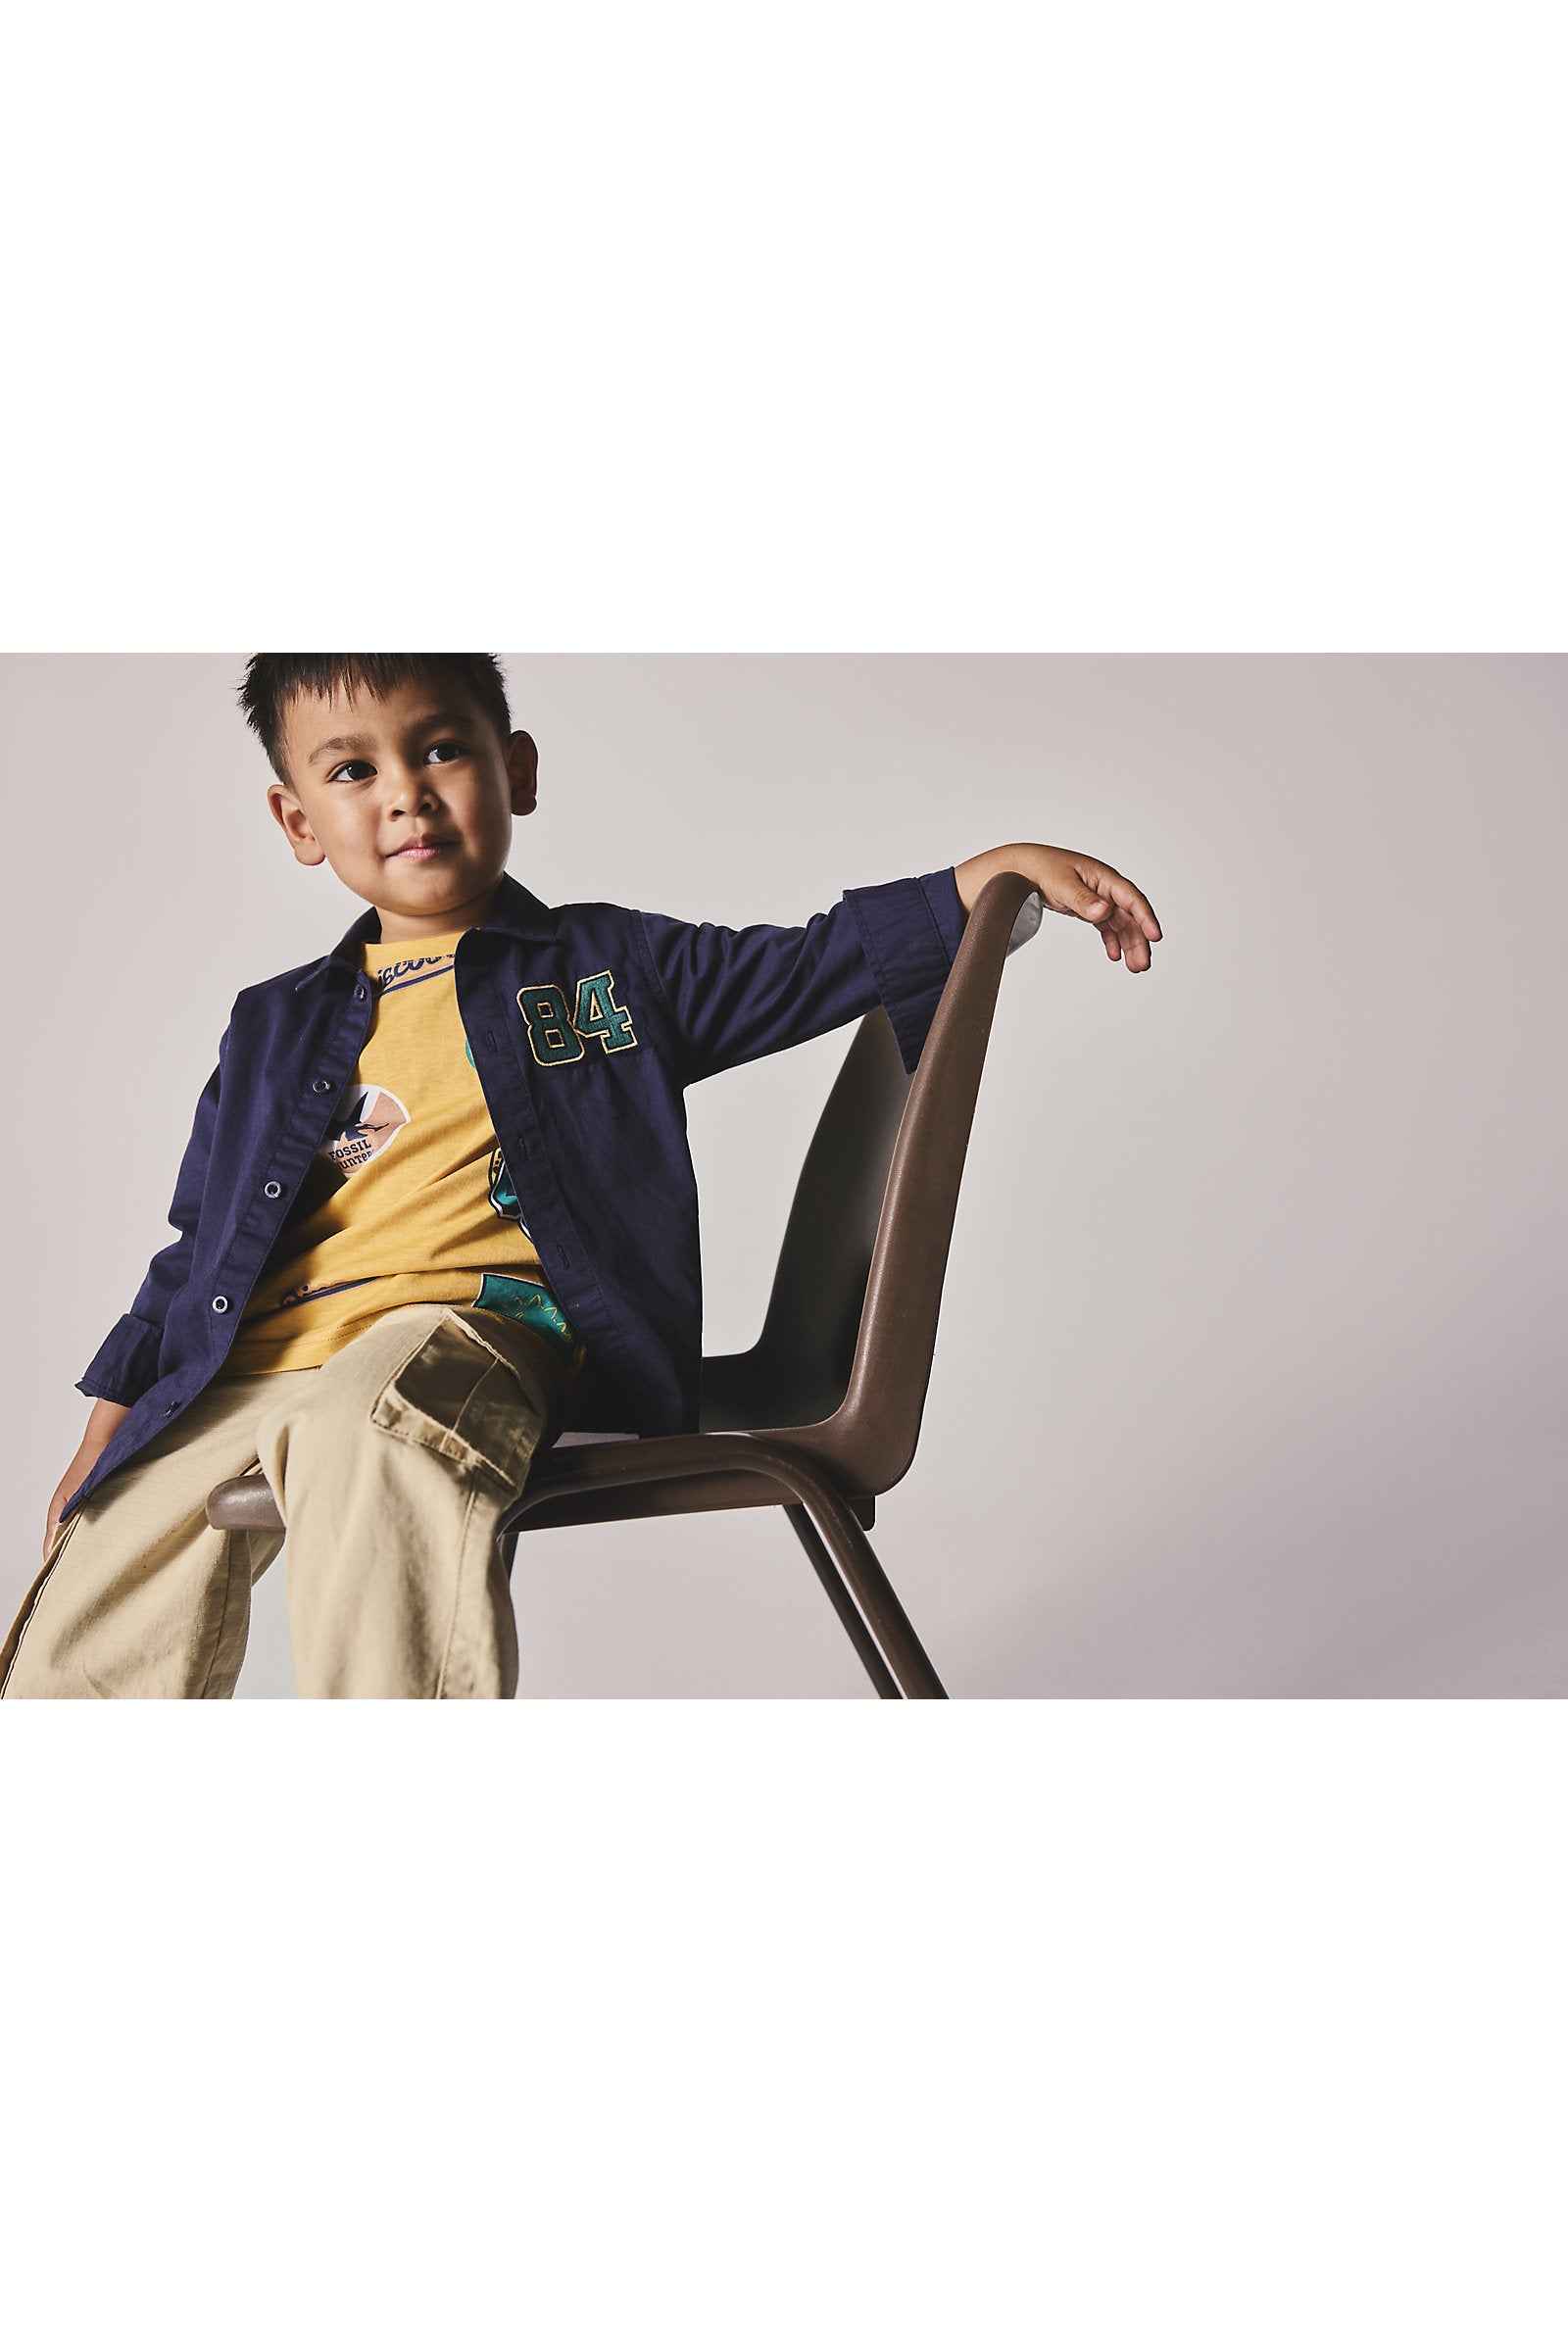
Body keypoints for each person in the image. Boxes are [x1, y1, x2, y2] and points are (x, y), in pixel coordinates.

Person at [1, 654, 1162, 1700]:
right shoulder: (270, 1029)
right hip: (255, 1367)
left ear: (514, 770)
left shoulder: (610, 971)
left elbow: (816, 960)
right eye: (354, 770)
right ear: (298, 820)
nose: (406, 792)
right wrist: (108, 1436)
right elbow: (193, 1251)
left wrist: (986, 876)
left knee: (377, 1421)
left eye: (440, 749)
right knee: (105, 1566)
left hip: (472, 1334)